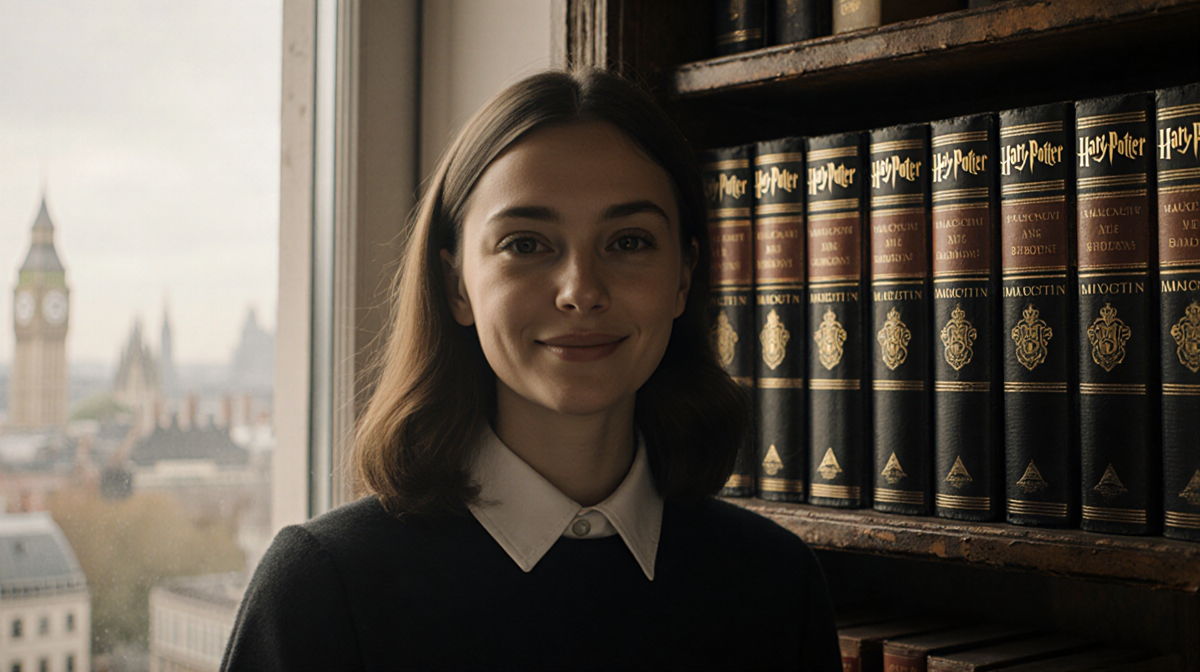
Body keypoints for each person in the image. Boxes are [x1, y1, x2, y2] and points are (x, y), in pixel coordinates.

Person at [222, 68, 840, 672]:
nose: (581, 291)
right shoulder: (323, 590)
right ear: (456, 286)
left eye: (629, 242)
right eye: (525, 244)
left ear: (683, 278)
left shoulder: (778, 584)